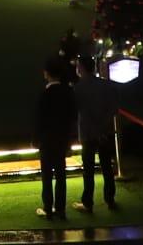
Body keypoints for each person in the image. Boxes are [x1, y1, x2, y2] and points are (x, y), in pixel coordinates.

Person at [34, 56, 77, 219]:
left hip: (46, 139)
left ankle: (47, 207)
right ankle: (60, 209)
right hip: (62, 138)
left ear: (47, 74)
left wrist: (35, 138)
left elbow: (39, 118)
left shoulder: (45, 94)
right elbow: (72, 116)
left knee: (46, 175)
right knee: (61, 174)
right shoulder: (68, 93)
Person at [74, 56, 117, 211]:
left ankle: (88, 202)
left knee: (88, 169)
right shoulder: (105, 85)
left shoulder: (78, 88)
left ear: (82, 68)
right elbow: (112, 109)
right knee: (107, 166)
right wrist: (103, 128)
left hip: (87, 133)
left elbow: (81, 112)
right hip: (105, 132)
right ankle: (110, 199)